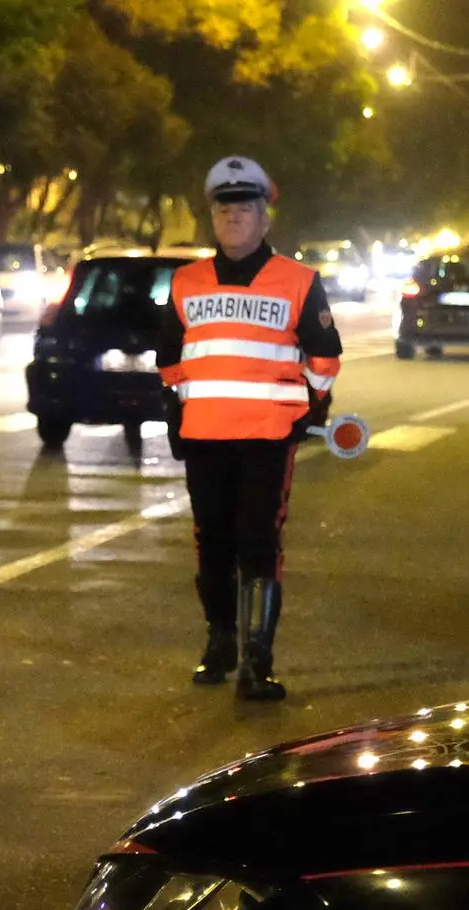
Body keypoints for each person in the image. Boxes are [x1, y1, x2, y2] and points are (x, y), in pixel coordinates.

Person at [157, 156, 342, 702]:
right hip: (205, 437)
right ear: (212, 218)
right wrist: (175, 413)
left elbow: (325, 356)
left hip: (266, 438)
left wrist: (311, 408)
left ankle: (257, 663)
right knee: (211, 544)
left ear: (266, 218)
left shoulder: (299, 281)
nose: (234, 216)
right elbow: (170, 359)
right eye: (224, 208)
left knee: (258, 544)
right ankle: (219, 644)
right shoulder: (185, 281)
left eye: (246, 207)